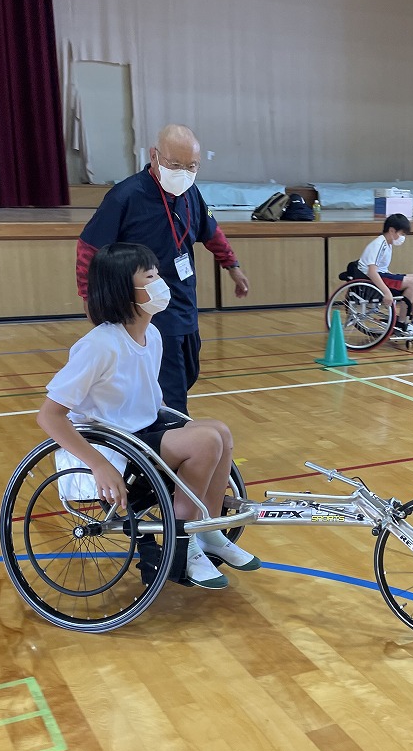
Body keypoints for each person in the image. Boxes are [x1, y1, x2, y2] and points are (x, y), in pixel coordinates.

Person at [42, 242, 260, 590]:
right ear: (123, 289)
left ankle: (210, 531)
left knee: (220, 431)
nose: (161, 282)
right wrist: (98, 464)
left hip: (141, 436)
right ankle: (183, 544)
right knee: (204, 440)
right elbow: (50, 416)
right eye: (150, 276)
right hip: (113, 452)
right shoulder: (99, 345)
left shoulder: (152, 335)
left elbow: (149, 405)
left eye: (158, 274)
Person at [75, 124, 250, 415]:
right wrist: (88, 297)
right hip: (145, 307)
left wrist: (232, 265)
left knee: (187, 371)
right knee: (171, 387)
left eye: (191, 165)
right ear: (154, 155)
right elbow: (88, 249)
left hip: (183, 301)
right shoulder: (125, 196)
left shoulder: (191, 193)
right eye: (175, 164)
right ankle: (172, 445)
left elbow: (211, 231)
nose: (183, 172)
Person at [356, 213, 413, 336]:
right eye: (402, 234)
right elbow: (372, 272)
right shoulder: (379, 244)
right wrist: (387, 292)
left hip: (381, 274)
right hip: (370, 279)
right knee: (412, 282)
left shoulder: (387, 244)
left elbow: (383, 269)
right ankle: (401, 322)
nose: (403, 237)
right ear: (392, 230)